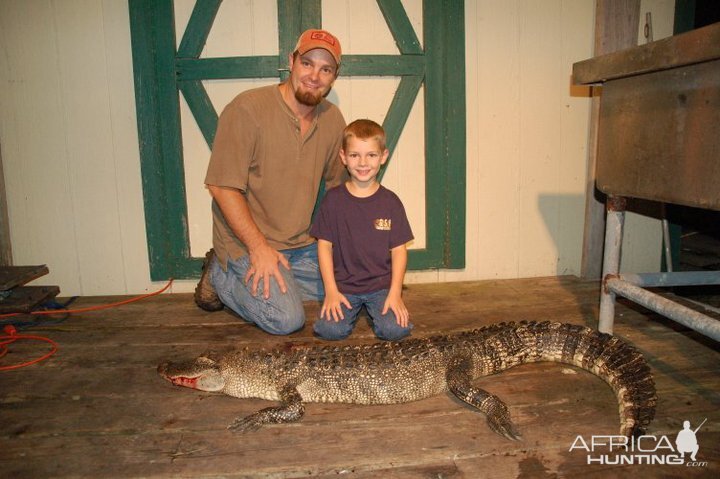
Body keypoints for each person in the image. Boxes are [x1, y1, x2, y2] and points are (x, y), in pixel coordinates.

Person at [194, 29, 347, 336]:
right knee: (286, 319)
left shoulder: (332, 119)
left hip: (301, 246)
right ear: (292, 61)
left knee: (357, 286)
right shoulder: (248, 109)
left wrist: (346, 244)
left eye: (325, 69)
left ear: (334, 77)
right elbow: (222, 187)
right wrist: (259, 248)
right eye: (308, 63)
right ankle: (221, 276)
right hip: (248, 243)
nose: (314, 75)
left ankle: (279, 281)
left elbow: (338, 189)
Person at [310, 119, 414, 341]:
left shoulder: (391, 202)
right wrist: (330, 290)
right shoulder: (333, 201)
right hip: (344, 287)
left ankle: (380, 307)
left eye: (371, 155)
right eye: (355, 155)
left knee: (395, 330)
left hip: (380, 286)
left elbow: (399, 250)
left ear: (383, 157)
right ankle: (344, 307)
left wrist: (395, 293)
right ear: (343, 157)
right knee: (330, 330)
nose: (363, 162)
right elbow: (324, 247)